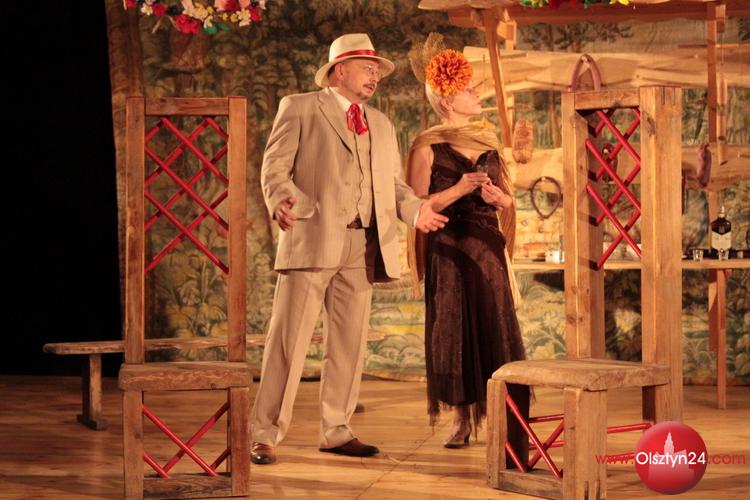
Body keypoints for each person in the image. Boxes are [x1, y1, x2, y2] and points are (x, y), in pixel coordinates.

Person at [252, 33, 448, 465]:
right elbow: (274, 168)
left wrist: (417, 212)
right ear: (339, 70)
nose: (374, 76)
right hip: (312, 237)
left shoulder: (380, 123)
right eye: (366, 68)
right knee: (288, 343)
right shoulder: (300, 107)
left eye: (377, 70)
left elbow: (393, 187)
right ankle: (264, 434)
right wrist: (282, 200)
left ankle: (336, 430)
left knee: (348, 344)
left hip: (363, 245)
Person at [405, 48, 529, 449]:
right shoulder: (427, 146)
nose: (477, 96)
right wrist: (458, 189)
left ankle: (505, 419)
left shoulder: (488, 144)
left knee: (496, 327)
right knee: (455, 331)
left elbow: (507, 201)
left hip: (489, 252)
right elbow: (413, 204)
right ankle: (461, 420)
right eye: (469, 90)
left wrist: (498, 198)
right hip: (450, 252)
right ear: (446, 101)